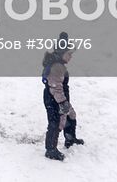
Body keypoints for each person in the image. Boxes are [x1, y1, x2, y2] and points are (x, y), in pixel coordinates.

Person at [42, 31, 83, 160]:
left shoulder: (59, 64)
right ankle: (51, 149)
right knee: (56, 122)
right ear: (61, 54)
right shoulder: (57, 67)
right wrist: (62, 102)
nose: (71, 56)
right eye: (69, 54)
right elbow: (55, 87)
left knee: (71, 115)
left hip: (60, 97)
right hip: (54, 99)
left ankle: (70, 139)